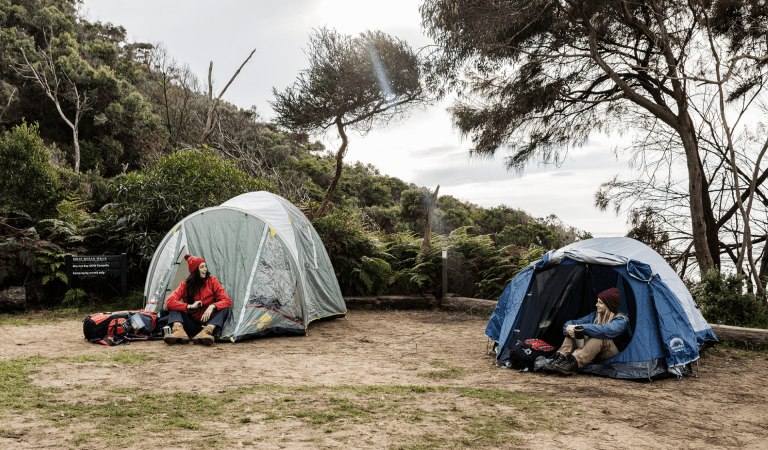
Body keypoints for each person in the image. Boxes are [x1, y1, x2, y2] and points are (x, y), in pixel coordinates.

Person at [544, 287, 629, 375]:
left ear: (609, 305)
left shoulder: (621, 320)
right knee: (575, 332)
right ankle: (560, 359)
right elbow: (572, 323)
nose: (596, 305)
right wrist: (568, 328)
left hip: (612, 354)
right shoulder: (594, 315)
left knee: (599, 337)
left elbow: (604, 330)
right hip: (595, 352)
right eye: (597, 301)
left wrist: (579, 328)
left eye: (600, 303)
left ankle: (574, 363)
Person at [164, 254, 232, 346]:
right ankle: (178, 331)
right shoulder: (185, 285)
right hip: (191, 324)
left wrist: (212, 306)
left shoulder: (212, 281)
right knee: (172, 306)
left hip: (209, 324)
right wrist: (189, 306)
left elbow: (227, 301)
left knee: (225, 309)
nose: (205, 269)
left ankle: (206, 332)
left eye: (205, 266)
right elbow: (169, 301)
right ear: (195, 270)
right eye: (202, 267)